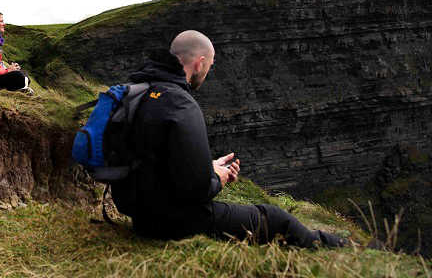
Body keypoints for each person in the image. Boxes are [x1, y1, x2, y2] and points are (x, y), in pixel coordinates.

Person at [110, 30, 350, 248]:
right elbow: (198, 191)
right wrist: (218, 177)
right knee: (276, 219)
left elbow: (155, 161)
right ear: (199, 62)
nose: (207, 72)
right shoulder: (181, 105)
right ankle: (342, 249)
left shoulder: (139, 92)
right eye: (210, 66)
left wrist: (207, 167)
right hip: (175, 223)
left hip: (140, 215)